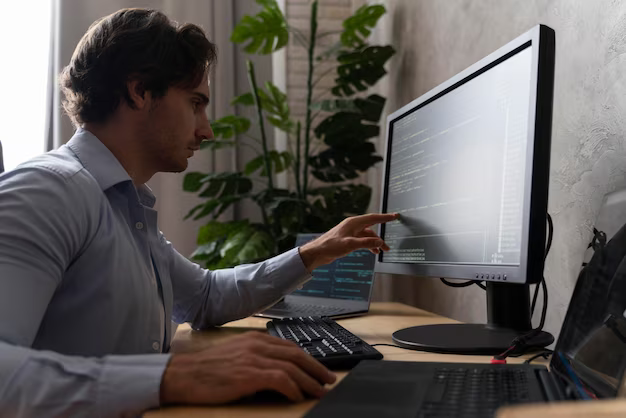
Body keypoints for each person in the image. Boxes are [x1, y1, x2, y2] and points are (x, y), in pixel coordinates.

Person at [0, 8, 397, 417]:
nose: (206, 130)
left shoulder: (124, 204)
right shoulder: (47, 193)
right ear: (139, 91)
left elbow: (204, 297)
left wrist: (312, 253)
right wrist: (173, 376)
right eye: (195, 104)